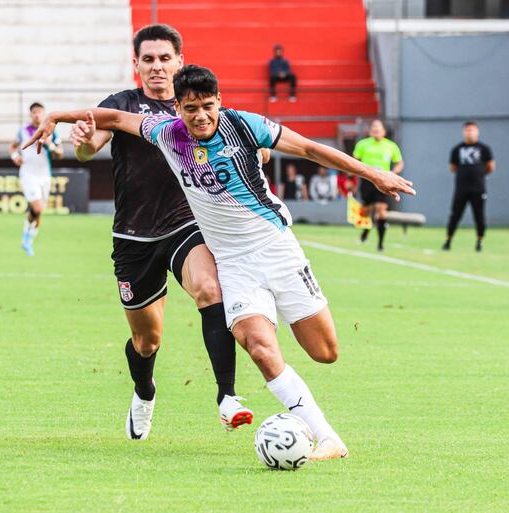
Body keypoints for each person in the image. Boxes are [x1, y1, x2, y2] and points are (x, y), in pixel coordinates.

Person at [25, 64, 416, 460]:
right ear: (177, 107)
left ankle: (292, 375)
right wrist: (56, 117)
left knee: (324, 351)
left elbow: (311, 149)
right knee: (259, 347)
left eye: (208, 106)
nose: (200, 116)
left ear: (219, 102)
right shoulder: (165, 133)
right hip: (233, 264)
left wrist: (371, 173)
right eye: (191, 108)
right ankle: (326, 436)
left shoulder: (246, 126)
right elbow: (113, 118)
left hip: (278, 249)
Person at [67, 25, 251, 441]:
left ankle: (228, 397)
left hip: (186, 225)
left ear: (179, 61)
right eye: (148, 59)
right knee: (147, 340)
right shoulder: (121, 104)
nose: (156, 67)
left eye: (164, 58)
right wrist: (80, 141)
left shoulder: (194, 106)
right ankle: (144, 391)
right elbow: (88, 146)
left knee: (209, 288)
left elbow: (235, 138)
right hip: (133, 237)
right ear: (136, 65)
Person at [9, 102, 63, 256]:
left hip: (44, 175)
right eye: (34, 112)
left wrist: (50, 145)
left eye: (39, 112)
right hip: (28, 173)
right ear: (30, 114)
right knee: (37, 207)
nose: (37, 115)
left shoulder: (52, 131)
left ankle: (28, 239)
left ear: (44, 114)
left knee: (39, 211)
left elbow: (60, 154)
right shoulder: (23, 131)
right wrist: (15, 156)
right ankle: (26, 236)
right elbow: (12, 146)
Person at [442, 121, 495, 252]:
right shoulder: (457, 149)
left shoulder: (484, 149)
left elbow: (490, 167)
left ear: (477, 132)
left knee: (479, 216)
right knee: (455, 215)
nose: (470, 132)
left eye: (472, 130)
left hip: (478, 189)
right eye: (467, 130)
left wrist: (479, 174)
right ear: (463, 132)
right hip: (461, 189)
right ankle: (448, 240)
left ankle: (479, 241)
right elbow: (453, 167)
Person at [352, 120, 404, 252]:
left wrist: (392, 173)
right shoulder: (363, 144)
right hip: (367, 181)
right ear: (370, 131)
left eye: (378, 128)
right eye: (373, 127)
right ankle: (365, 232)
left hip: (383, 181)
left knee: (381, 210)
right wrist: (350, 178)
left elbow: (399, 163)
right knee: (367, 211)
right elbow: (353, 161)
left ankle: (380, 244)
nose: (376, 130)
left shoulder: (391, 146)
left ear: (384, 131)